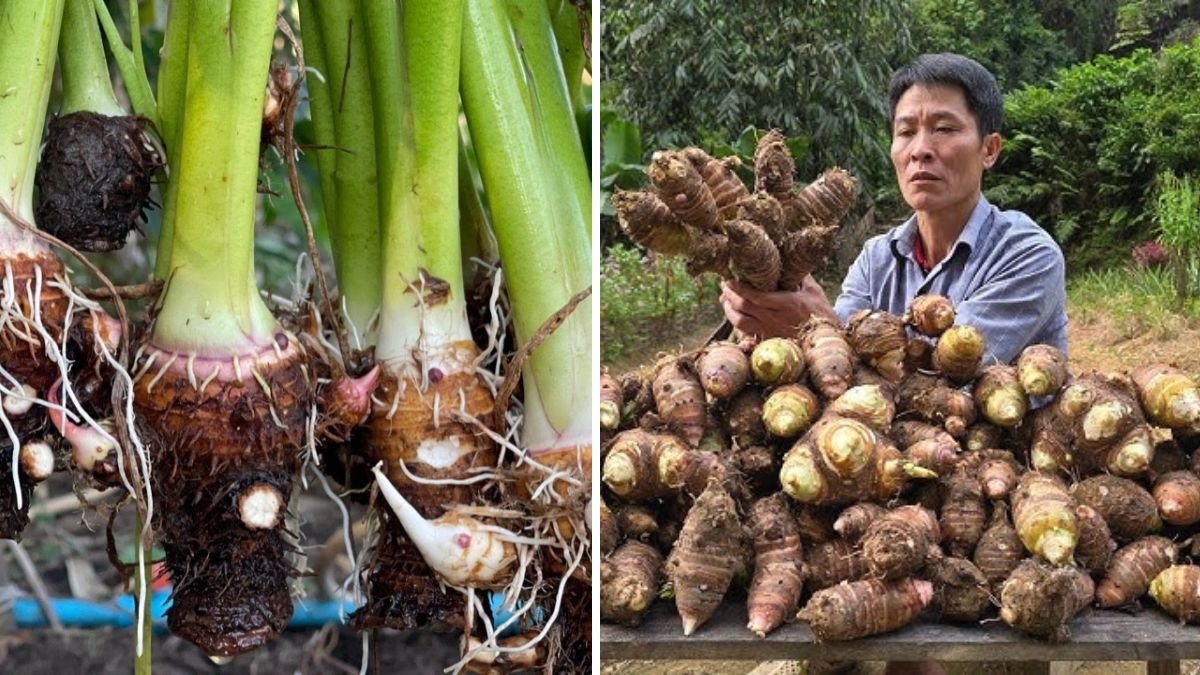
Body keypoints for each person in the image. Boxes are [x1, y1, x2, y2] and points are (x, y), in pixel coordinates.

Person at [719, 53, 1068, 365]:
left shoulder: (1027, 255)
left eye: (944, 129)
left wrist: (814, 328)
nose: (920, 150)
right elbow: (836, 361)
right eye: (906, 131)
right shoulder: (877, 258)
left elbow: (949, 376)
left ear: (989, 150)